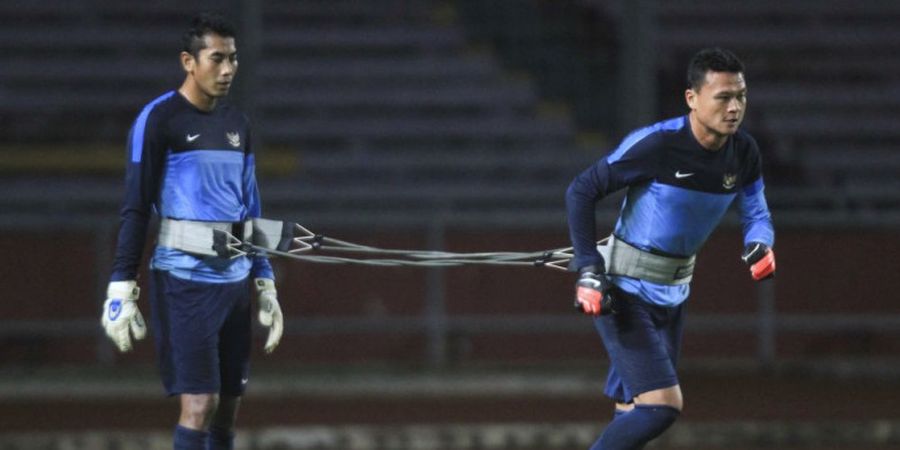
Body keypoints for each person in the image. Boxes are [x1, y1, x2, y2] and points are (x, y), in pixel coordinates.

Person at [565, 47, 776, 450]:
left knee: (632, 409)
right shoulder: (658, 145)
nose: (734, 108)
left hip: (674, 294)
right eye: (723, 97)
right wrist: (588, 269)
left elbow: (756, 212)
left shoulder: (744, 151)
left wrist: (761, 243)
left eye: (741, 96)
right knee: (661, 407)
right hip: (623, 291)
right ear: (692, 99)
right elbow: (581, 190)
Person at [99, 13, 284, 450]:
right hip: (185, 282)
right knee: (199, 405)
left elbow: (249, 206)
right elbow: (136, 207)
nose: (227, 70)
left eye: (233, 59)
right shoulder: (159, 120)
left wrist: (265, 279)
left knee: (227, 410)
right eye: (217, 59)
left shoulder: (238, 124)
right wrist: (121, 286)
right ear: (188, 61)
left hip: (235, 283)